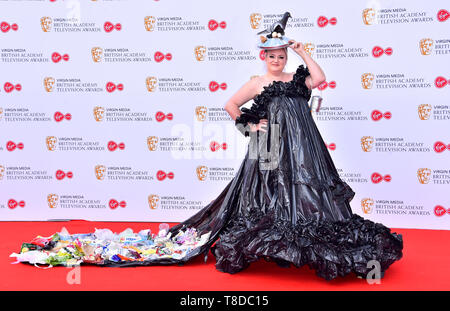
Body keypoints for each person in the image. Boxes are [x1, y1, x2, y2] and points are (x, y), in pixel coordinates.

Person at [12, 13, 403, 281]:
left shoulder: (298, 77)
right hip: (271, 148)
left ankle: (308, 241)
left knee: (309, 195)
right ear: (263, 57)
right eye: (272, 55)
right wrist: (253, 123)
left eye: (281, 55)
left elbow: (320, 79)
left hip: (306, 150)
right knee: (267, 195)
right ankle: (270, 245)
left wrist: (302, 50)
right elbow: (230, 105)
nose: (277, 59)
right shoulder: (257, 82)